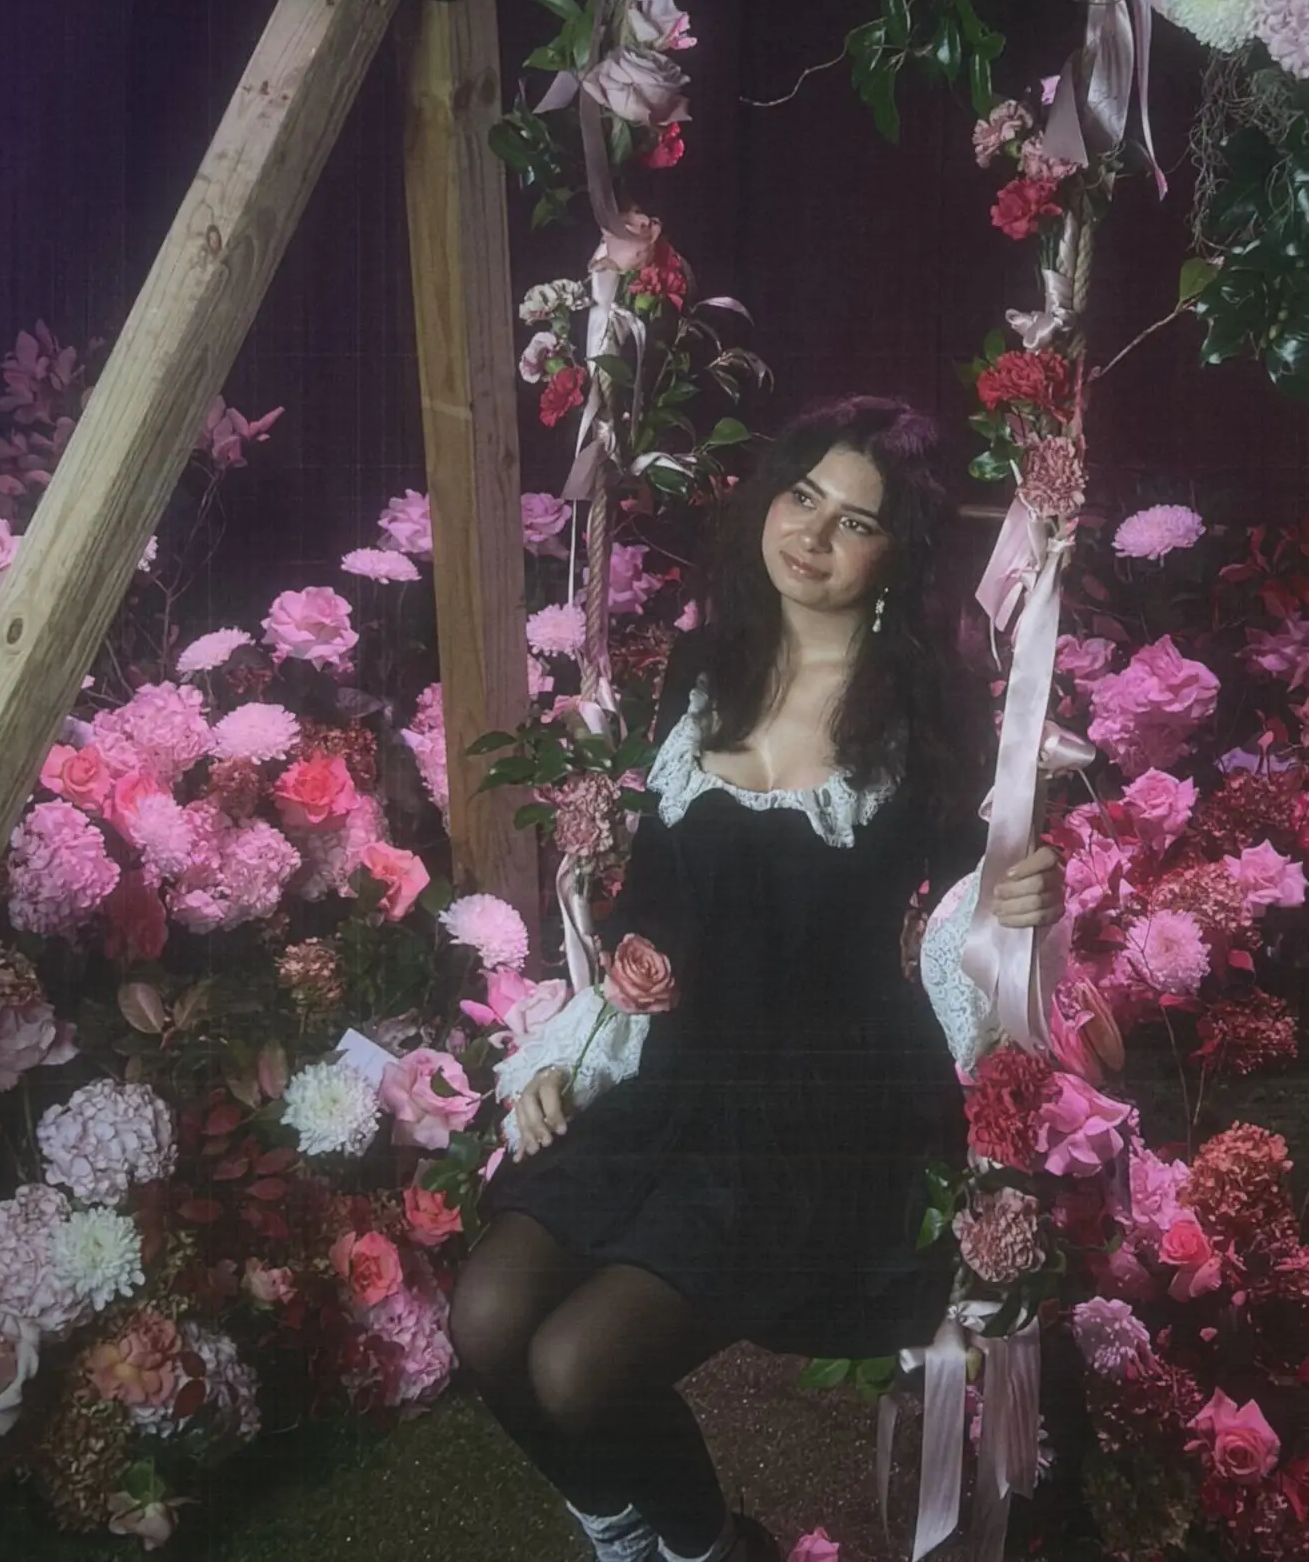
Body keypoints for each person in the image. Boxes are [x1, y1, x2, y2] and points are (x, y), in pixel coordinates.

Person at [449, 397, 1064, 1562]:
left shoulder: (928, 705)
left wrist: (1020, 901)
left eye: (855, 522)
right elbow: (657, 897)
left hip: (827, 1109)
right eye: (802, 497)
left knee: (577, 1367)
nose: (813, 535)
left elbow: (966, 906)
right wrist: (582, 1047)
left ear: (897, 556)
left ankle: (715, 1552)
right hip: (681, 1073)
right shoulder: (708, 663)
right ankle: (635, 1539)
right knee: (485, 1319)